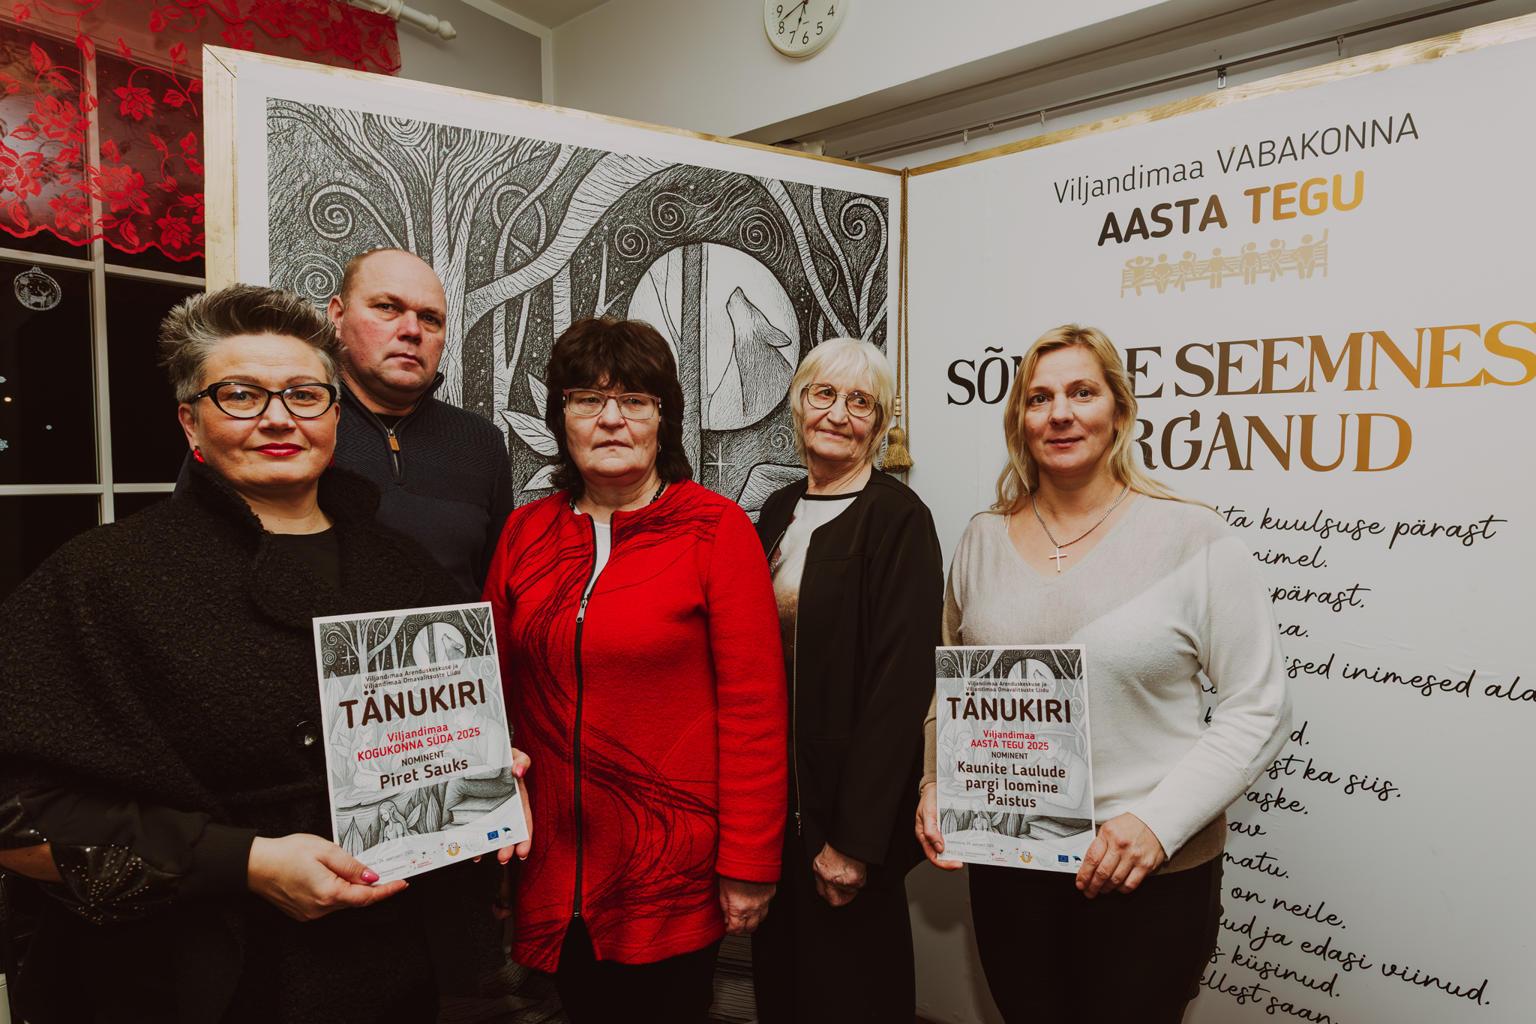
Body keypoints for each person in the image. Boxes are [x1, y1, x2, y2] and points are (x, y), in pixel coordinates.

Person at [0, 284, 532, 1023]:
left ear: (334, 415)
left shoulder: (405, 571)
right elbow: (18, 820)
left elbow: (438, 743)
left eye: (305, 395)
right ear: (191, 420)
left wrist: (483, 769)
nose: (279, 417)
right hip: (186, 985)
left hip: (396, 973)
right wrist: (244, 861)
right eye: (241, 395)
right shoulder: (101, 580)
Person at [915, 324, 1290, 1023]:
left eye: (1082, 392)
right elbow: (951, 686)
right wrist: (936, 781)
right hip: (1012, 868)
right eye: (1039, 398)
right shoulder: (981, 539)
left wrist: (1155, 824)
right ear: (1020, 420)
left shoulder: (1194, 536)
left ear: (1119, 409)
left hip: (1148, 873)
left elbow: (1259, 706)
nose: (1060, 413)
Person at [484, 317, 788, 1024]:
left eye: (634, 400)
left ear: (663, 419)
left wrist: (750, 863)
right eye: (588, 398)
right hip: (553, 863)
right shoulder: (525, 535)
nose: (611, 418)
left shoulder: (715, 530)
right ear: (562, 417)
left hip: (671, 868)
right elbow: (490, 691)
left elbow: (755, 711)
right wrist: (485, 824)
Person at [750, 338, 942, 1023]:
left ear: (880, 423)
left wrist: (856, 841)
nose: (837, 413)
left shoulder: (898, 518)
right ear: (797, 405)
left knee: (851, 994)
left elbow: (901, 687)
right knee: (783, 991)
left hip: (847, 819)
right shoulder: (778, 511)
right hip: (777, 809)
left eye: (860, 402)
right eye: (823, 394)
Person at [325, 248, 515, 599]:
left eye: (430, 318)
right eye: (387, 307)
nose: (412, 330)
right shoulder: (299, 429)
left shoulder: (481, 442)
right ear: (338, 315)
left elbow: (496, 590)